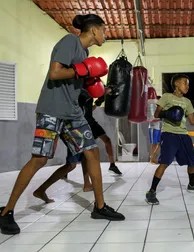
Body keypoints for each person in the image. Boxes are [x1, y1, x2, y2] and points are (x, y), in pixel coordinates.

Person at [0, 14, 125, 235]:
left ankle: (100, 207)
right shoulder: (70, 41)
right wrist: (84, 71)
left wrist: (94, 86)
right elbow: (55, 73)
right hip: (51, 110)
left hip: (73, 112)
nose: (105, 35)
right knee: (40, 159)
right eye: (103, 31)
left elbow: (74, 83)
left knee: (92, 152)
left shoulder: (85, 53)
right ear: (94, 30)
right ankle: (7, 212)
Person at [33, 88, 122, 204]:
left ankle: (92, 185)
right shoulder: (78, 89)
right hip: (75, 126)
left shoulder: (89, 91)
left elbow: (90, 108)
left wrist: (101, 98)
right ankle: (41, 189)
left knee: (90, 152)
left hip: (87, 123)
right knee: (71, 165)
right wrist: (103, 92)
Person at [145, 74, 194, 205]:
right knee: (164, 162)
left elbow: (192, 121)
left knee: (192, 161)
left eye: (188, 84)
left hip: (183, 135)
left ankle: (192, 184)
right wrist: (169, 114)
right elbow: (156, 114)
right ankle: (151, 191)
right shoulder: (166, 97)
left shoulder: (187, 102)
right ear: (176, 83)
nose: (187, 86)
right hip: (169, 134)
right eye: (184, 83)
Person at [149, 96, 162, 164]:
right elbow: (151, 117)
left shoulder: (159, 108)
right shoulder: (152, 107)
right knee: (154, 144)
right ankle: (152, 159)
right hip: (153, 127)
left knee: (160, 144)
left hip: (159, 127)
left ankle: (153, 157)